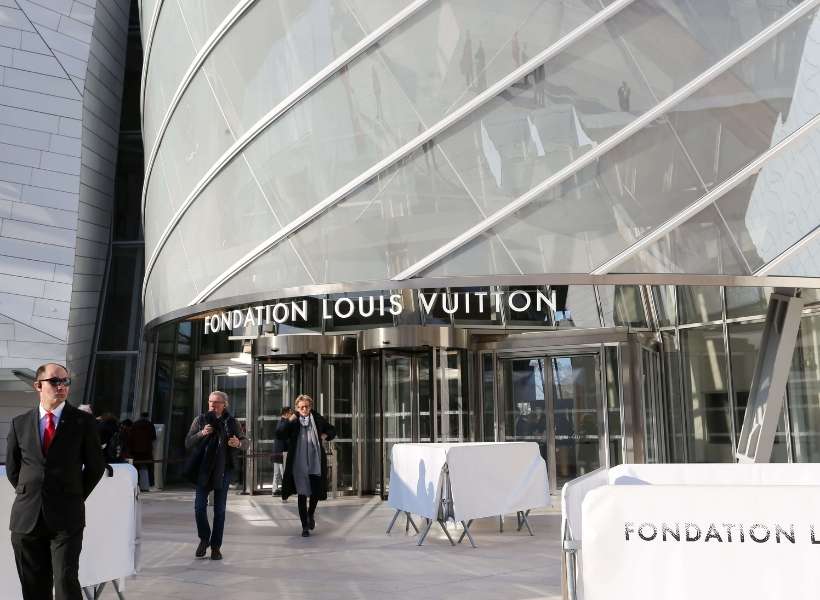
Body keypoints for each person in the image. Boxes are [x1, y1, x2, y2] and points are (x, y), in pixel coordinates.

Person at [5, 362, 106, 600]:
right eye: (55, 381)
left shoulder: (83, 421)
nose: (61, 386)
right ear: (38, 385)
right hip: (26, 518)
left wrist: (74, 495)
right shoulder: (19, 423)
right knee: (33, 587)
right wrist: (31, 492)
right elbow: (13, 468)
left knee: (65, 581)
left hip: (66, 518)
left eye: (66, 382)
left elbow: (95, 466)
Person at [185, 391, 247, 560]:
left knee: (220, 510)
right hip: (203, 469)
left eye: (217, 402)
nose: (212, 405)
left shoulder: (231, 422)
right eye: (210, 401)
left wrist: (238, 443)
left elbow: (245, 442)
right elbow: (188, 442)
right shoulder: (200, 420)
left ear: (224, 404)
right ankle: (204, 538)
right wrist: (201, 433)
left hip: (223, 470)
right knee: (199, 507)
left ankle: (215, 546)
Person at [276, 394, 335, 537]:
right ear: (297, 407)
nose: (304, 409)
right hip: (298, 461)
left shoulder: (317, 418)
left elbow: (332, 429)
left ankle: (310, 515)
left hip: (315, 460)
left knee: (315, 491)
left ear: (310, 406)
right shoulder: (293, 419)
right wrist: (288, 420)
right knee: (302, 493)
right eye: (301, 407)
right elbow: (279, 434)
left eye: (307, 406)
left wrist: (326, 436)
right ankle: (304, 526)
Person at [129, 412, 157, 492]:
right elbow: (153, 437)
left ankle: (136, 484)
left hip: (135, 450)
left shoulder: (134, 424)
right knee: (150, 467)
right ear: (148, 416)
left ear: (140, 416)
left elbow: (131, 437)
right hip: (147, 449)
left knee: (136, 468)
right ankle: (151, 484)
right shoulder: (150, 424)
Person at [272, 406, 293, 498]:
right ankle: (284, 490)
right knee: (283, 472)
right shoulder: (285, 423)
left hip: (277, 450)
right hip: (282, 451)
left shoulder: (280, 422)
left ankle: (275, 489)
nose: (291, 414)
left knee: (277, 472)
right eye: (290, 412)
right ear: (286, 413)